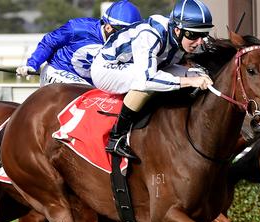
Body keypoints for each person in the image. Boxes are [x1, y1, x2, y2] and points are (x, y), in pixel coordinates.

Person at [90, 0, 215, 160]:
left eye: (203, 35)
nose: (199, 42)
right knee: (148, 84)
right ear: (177, 30)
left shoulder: (177, 38)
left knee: (193, 73)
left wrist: (193, 75)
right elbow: (147, 79)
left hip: (131, 65)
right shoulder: (151, 35)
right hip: (106, 69)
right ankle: (116, 137)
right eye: (193, 35)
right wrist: (190, 81)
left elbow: (166, 67)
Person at [16, 0, 142, 86]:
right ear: (108, 27)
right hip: (59, 71)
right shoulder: (77, 27)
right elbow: (49, 42)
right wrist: (33, 64)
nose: (127, 38)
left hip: (92, 83)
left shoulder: (129, 42)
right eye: (123, 32)